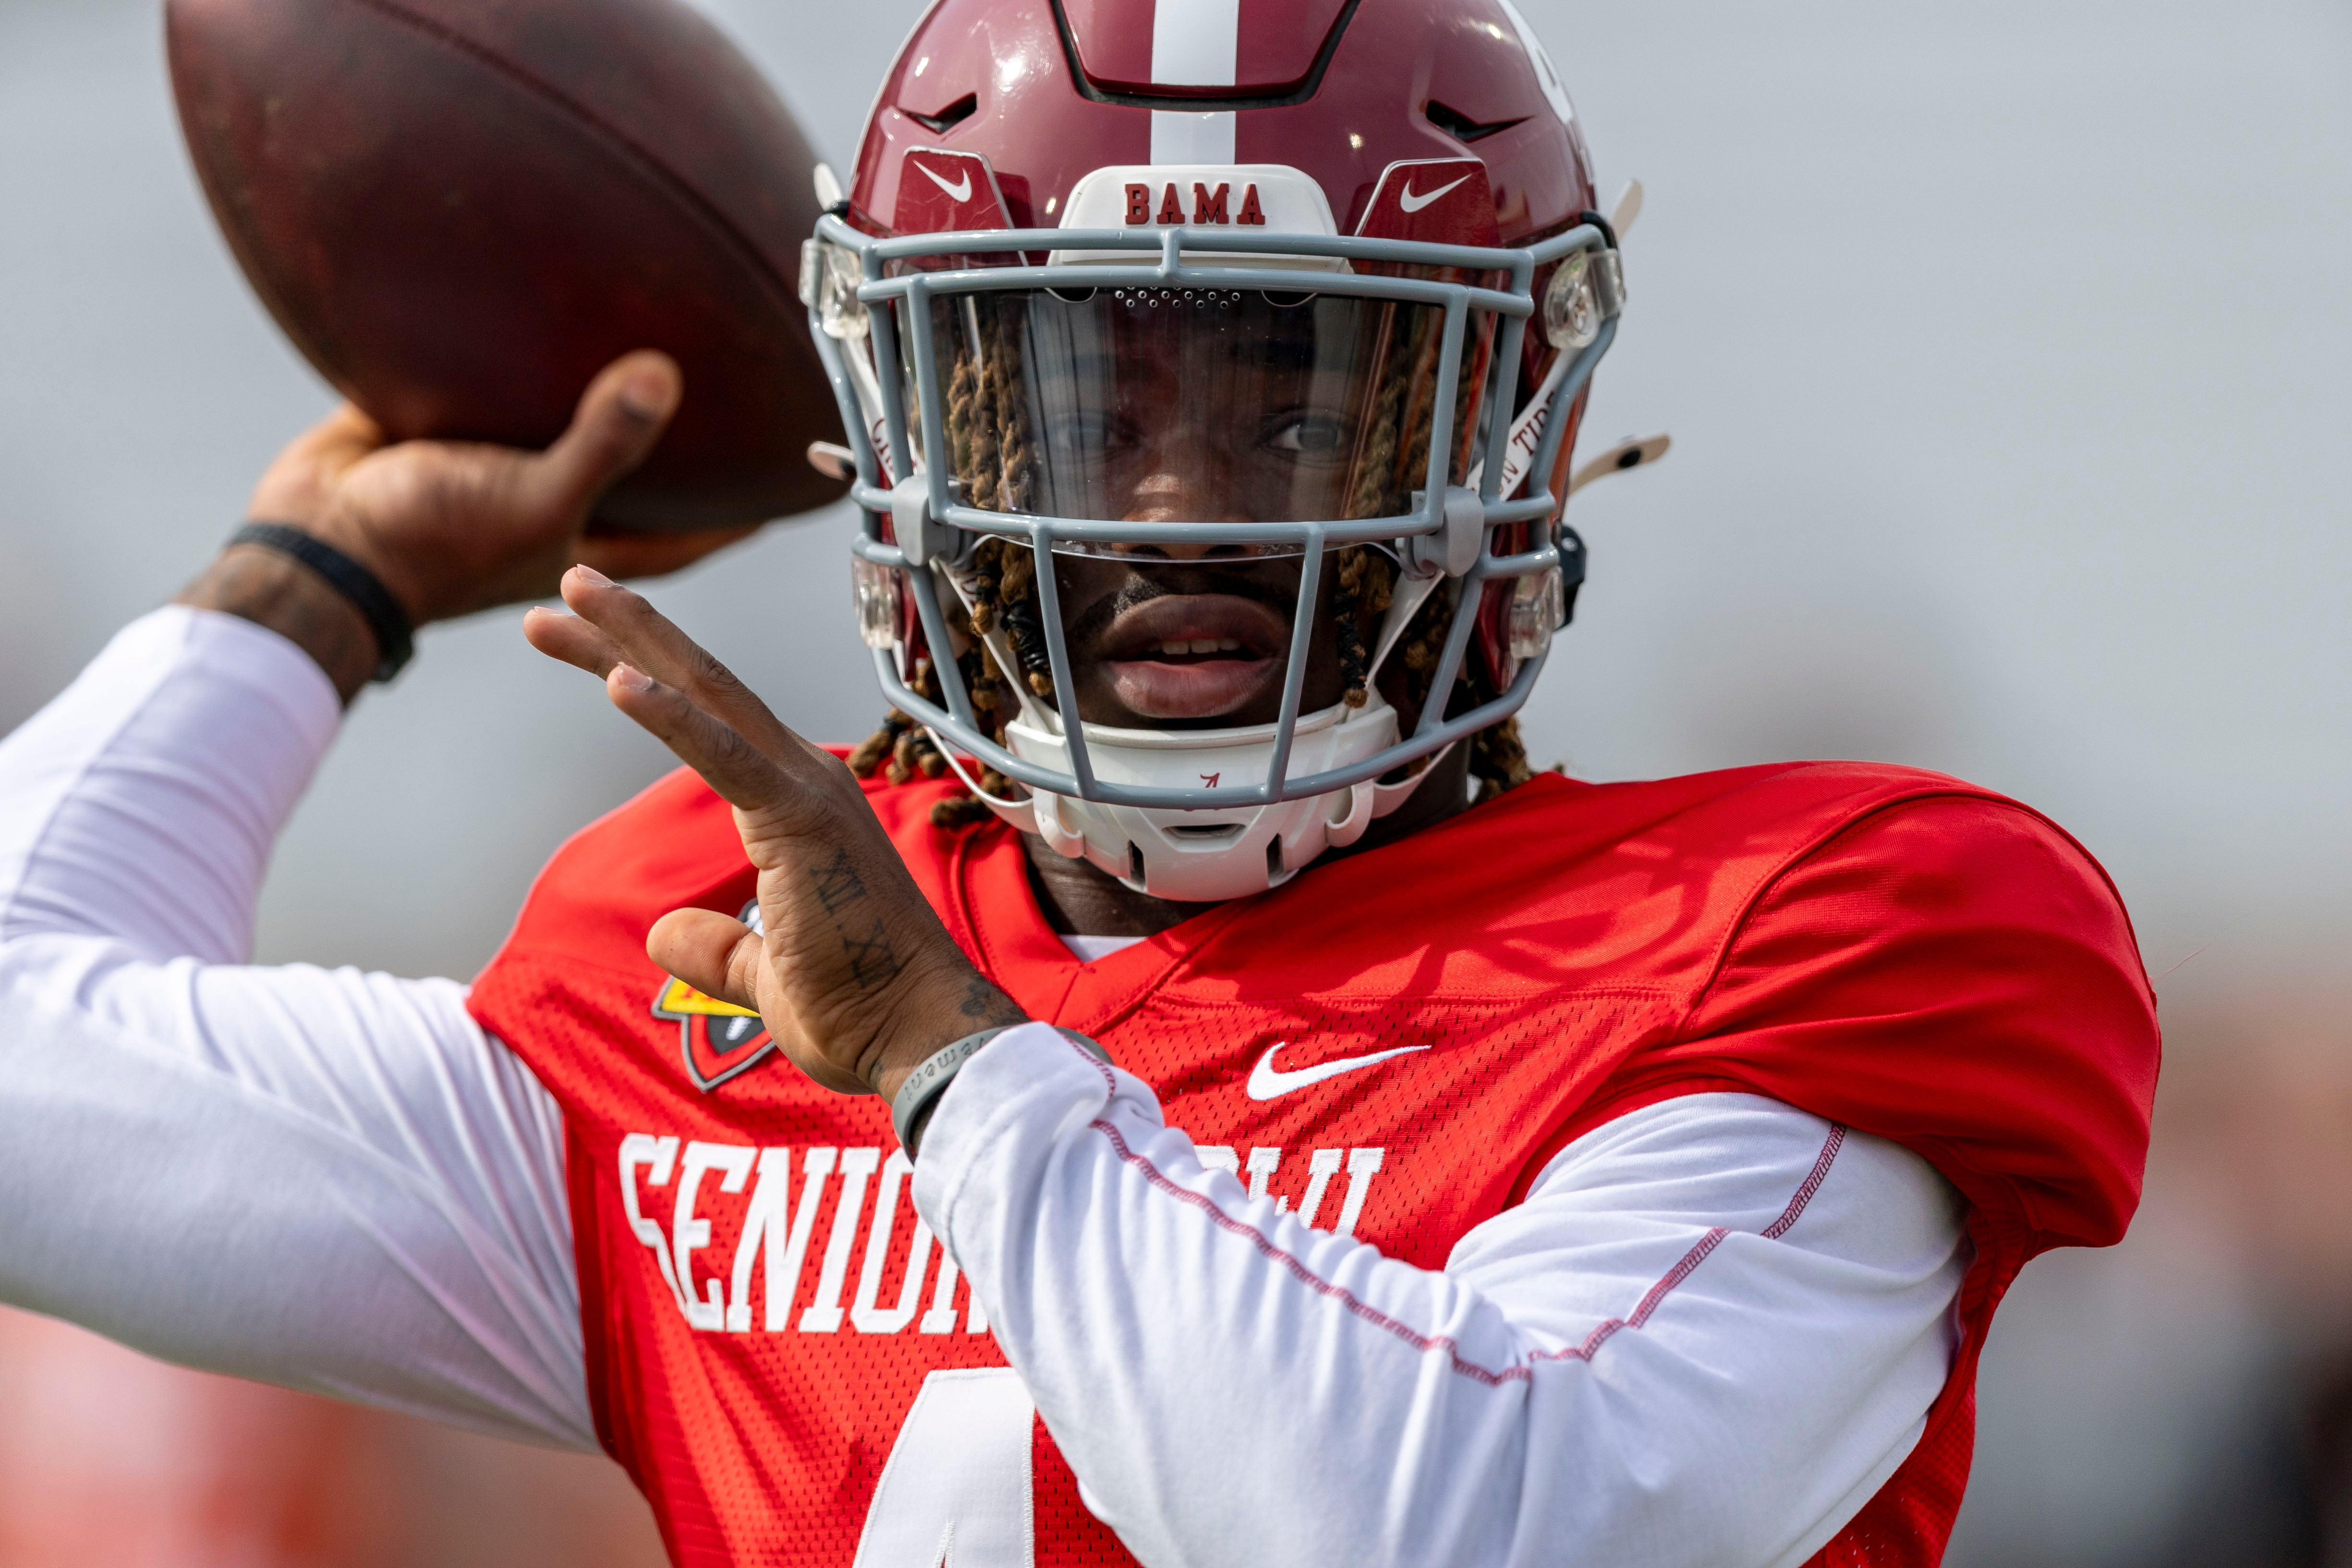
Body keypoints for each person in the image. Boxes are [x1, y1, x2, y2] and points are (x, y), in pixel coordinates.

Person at [0, 1, 2159, 1565]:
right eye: (1073, 403)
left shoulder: (1782, 934)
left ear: (1511, 430)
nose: (1175, 506)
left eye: (1294, 407)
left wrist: (953, 1064)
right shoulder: (720, 975)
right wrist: (312, 585)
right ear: (904, 425)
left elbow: (1482, 1527)